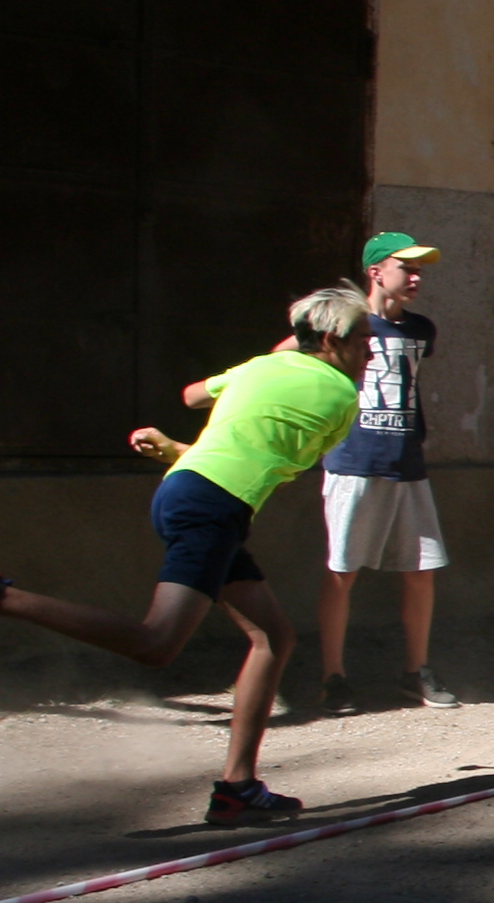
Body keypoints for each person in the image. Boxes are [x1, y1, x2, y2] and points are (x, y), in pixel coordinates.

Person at [2, 287, 372, 825]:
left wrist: (178, 447)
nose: (370, 352)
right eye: (364, 339)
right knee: (155, 643)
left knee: (273, 635)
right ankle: (7, 598)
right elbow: (278, 463)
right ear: (334, 340)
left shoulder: (259, 368)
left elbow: (194, 396)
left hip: (187, 489)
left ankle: (238, 789)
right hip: (213, 506)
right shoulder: (341, 396)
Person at [308, 231, 455, 711]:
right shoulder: (345, 325)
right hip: (353, 463)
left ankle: (416, 671)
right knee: (342, 571)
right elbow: (289, 351)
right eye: (405, 268)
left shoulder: (421, 330)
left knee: (421, 570)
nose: (415, 278)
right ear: (375, 272)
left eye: (419, 271)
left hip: (407, 464)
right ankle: (333, 677)